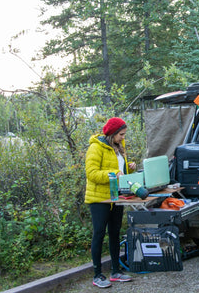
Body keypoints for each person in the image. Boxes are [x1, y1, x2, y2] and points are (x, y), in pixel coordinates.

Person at [85, 117, 137, 288]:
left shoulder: (119, 147)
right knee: (99, 234)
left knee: (114, 233)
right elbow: (92, 173)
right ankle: (97, 275)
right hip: (99, 198)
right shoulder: (96, 147)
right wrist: (114, 173)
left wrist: (129, 168)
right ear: (113, 133)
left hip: (116, 197)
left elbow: (120, 171)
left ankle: (115, 272)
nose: (123, 137)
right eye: (121, 134)